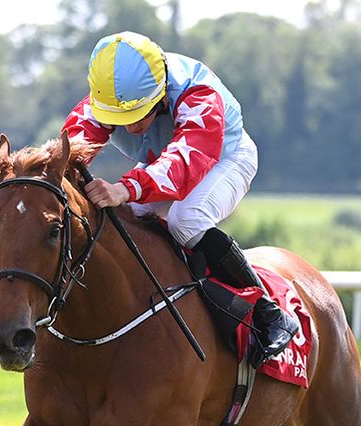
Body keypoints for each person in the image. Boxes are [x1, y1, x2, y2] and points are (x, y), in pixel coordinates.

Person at [63, 31, 299, 366]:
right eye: (119, 118)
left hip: (223, 157)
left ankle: (268, 313)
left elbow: (184, 164)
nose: (129, 128)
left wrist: (124, 188)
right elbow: (70, 147)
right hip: (165, 158)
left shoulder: (198, 94)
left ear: (160, 94)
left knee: (185, 220)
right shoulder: (115, 95)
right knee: (125, 220)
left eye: (137, 115)